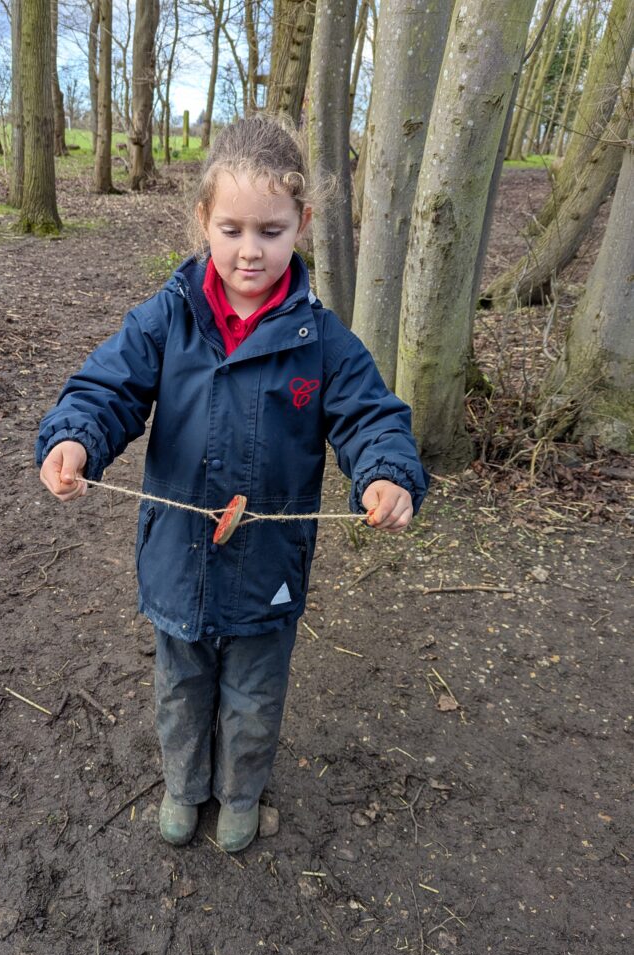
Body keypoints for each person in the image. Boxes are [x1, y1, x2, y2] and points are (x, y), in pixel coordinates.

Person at [36, 116, 429, 854]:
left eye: (272, 231)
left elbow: (372, 417)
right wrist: (74, 437)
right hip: (177, 559)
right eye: (233, 228)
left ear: (301, 225)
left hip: (267, 569)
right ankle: (185, 788)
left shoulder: (325, 341)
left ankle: (241, 793)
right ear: (203, 223)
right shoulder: (166, 318)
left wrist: (385, 474)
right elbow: (106, 388)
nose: (251, 249)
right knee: (180, 687)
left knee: (253, 695)